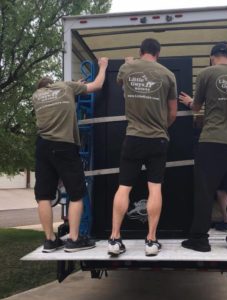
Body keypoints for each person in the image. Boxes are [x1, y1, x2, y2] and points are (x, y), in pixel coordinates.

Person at [179, 42, 227, 252]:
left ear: (212, 57)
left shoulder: (207, 74)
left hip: (212, 142)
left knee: (204, 191)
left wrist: (189, 102)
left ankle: (199, 239)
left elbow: (196, 107)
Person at [108, 38, 178, 257]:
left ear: (141, 51)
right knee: (154, 189)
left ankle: (114, 238)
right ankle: (151, 241)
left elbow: (121, 82)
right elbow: (173, 112)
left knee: (124, 187)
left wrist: (129, 62)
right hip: (158, 138)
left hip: (133, 137)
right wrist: (160, 128)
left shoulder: (128, 68)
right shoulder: (168, 75)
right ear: (158, 53)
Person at [32, 57, 108, 253]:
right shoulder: (65, 87)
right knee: (76, 194)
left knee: (43, 196)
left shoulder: (36, 97)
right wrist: (103, 66)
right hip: (64, 146)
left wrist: (74, 88)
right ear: (53, 84)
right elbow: (97, 85)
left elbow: (55, 101)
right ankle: (74, 239)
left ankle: (49, 240)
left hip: (42, 147)